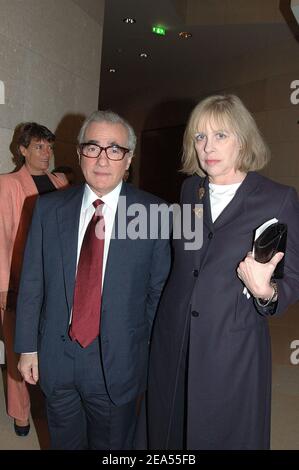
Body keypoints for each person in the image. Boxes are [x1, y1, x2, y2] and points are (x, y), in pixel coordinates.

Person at [147, 94, 299, 450]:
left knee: (224, 433)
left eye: (221, 136)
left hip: (232, 343)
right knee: (172, 426)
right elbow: (185, 261)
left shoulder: (277, 198)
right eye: (199, 137)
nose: (207, 147)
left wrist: (268, 293)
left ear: (243, 140)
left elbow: (293, 277)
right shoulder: (190, 190)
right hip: (176, 335)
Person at [15, 110, 171, 450]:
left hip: (117, 362)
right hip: (57, 356)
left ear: (128, 158)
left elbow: (158, 294)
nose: (102, 159)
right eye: (92, 147)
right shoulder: (47, 208)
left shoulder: (155, 214)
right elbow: (32, 282)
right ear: (79, 153)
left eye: (114, 149)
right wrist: (28, 347)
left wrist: (138, 348)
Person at [0, 122, 68, 437]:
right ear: (23, 150)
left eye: (49, 146)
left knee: (53, 345)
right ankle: (21, 413)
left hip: (57, 282)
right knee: (19, 348)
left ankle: (55, 402)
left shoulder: (62, 182)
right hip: (20, 283)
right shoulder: (7, 185)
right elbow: (2, 238)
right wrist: (4, 286)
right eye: (39, 146)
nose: (46, 153)